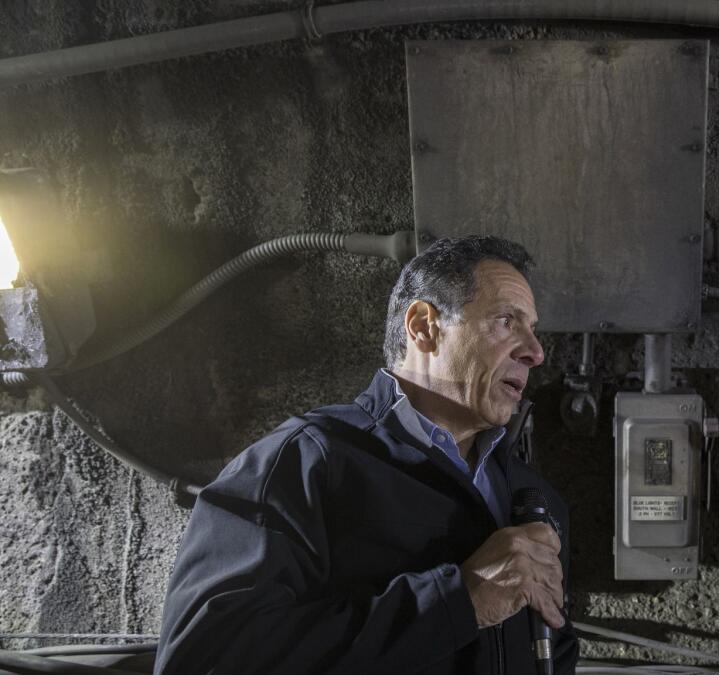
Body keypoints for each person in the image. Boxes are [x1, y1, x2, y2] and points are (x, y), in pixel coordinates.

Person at [153, 235, 578, 674]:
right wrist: (458, 602)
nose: (535, 351)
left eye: (533, 328)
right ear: (423, 327)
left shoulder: (534, 498)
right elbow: (202, 660)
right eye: (507, 321)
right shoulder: (304, 463)